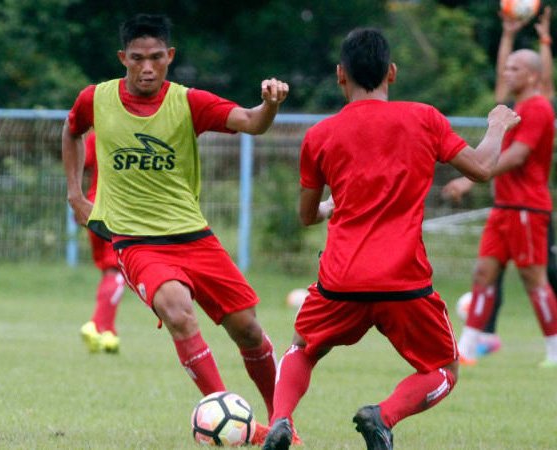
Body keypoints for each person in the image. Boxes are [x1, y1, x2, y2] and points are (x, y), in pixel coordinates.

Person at [262, 27, 520, 450]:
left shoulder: (319, 136)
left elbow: (306, 216)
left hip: (340, 279)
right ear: (392, 73)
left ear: (340, 75)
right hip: (404, 280)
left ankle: (281, 420)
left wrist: (328, 208)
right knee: (444, 369)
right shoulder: (425, 119)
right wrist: (496, 126)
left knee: (303, 349)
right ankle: (383, 416)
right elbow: (482, 168)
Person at [61, 14, 295, 445]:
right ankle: (235, 421)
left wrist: (271, 105)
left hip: (193, 235)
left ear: (169, 56)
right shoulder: (96, 99)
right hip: (135, 241)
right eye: (136, 59)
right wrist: (76, 194)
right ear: (122, 59)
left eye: (155, 58)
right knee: (178, 312)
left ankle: (282, 424)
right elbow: (72, 129)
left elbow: (251, 122)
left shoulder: (189, 102)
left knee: (248, 329)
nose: (146, 68)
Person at [443, 6, 557, 368]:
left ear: (534, 76)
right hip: (504, 207)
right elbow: (501, 77)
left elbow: (517, 157)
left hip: (527, 207)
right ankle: (467, 348)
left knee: (534, 280)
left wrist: (470, 175)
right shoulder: (513, 106)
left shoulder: (538, 108)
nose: (507, 73)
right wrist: (507, 34)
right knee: (483, 274)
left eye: (515, 69)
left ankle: (554, 350)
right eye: (507, 68)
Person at [79, 131, 126, 354]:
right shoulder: (133, 133)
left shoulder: (96, 135)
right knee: (119, 272)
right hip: (118, 209)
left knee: (109, 272)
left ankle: (109, 332)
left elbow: (83, 162)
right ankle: (96, 325)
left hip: (92, 204)